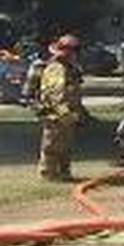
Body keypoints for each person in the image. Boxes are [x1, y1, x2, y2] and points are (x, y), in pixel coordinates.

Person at [37, 34, 84, 181]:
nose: (75, 54)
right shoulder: (56, 68)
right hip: (56, 116)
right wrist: (64, 114)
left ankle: (64, 173)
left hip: (67, 114)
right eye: (74, 49)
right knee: (52, 146)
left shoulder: (69, 68)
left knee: (65, 147)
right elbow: (55, 94)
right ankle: (48, 174)